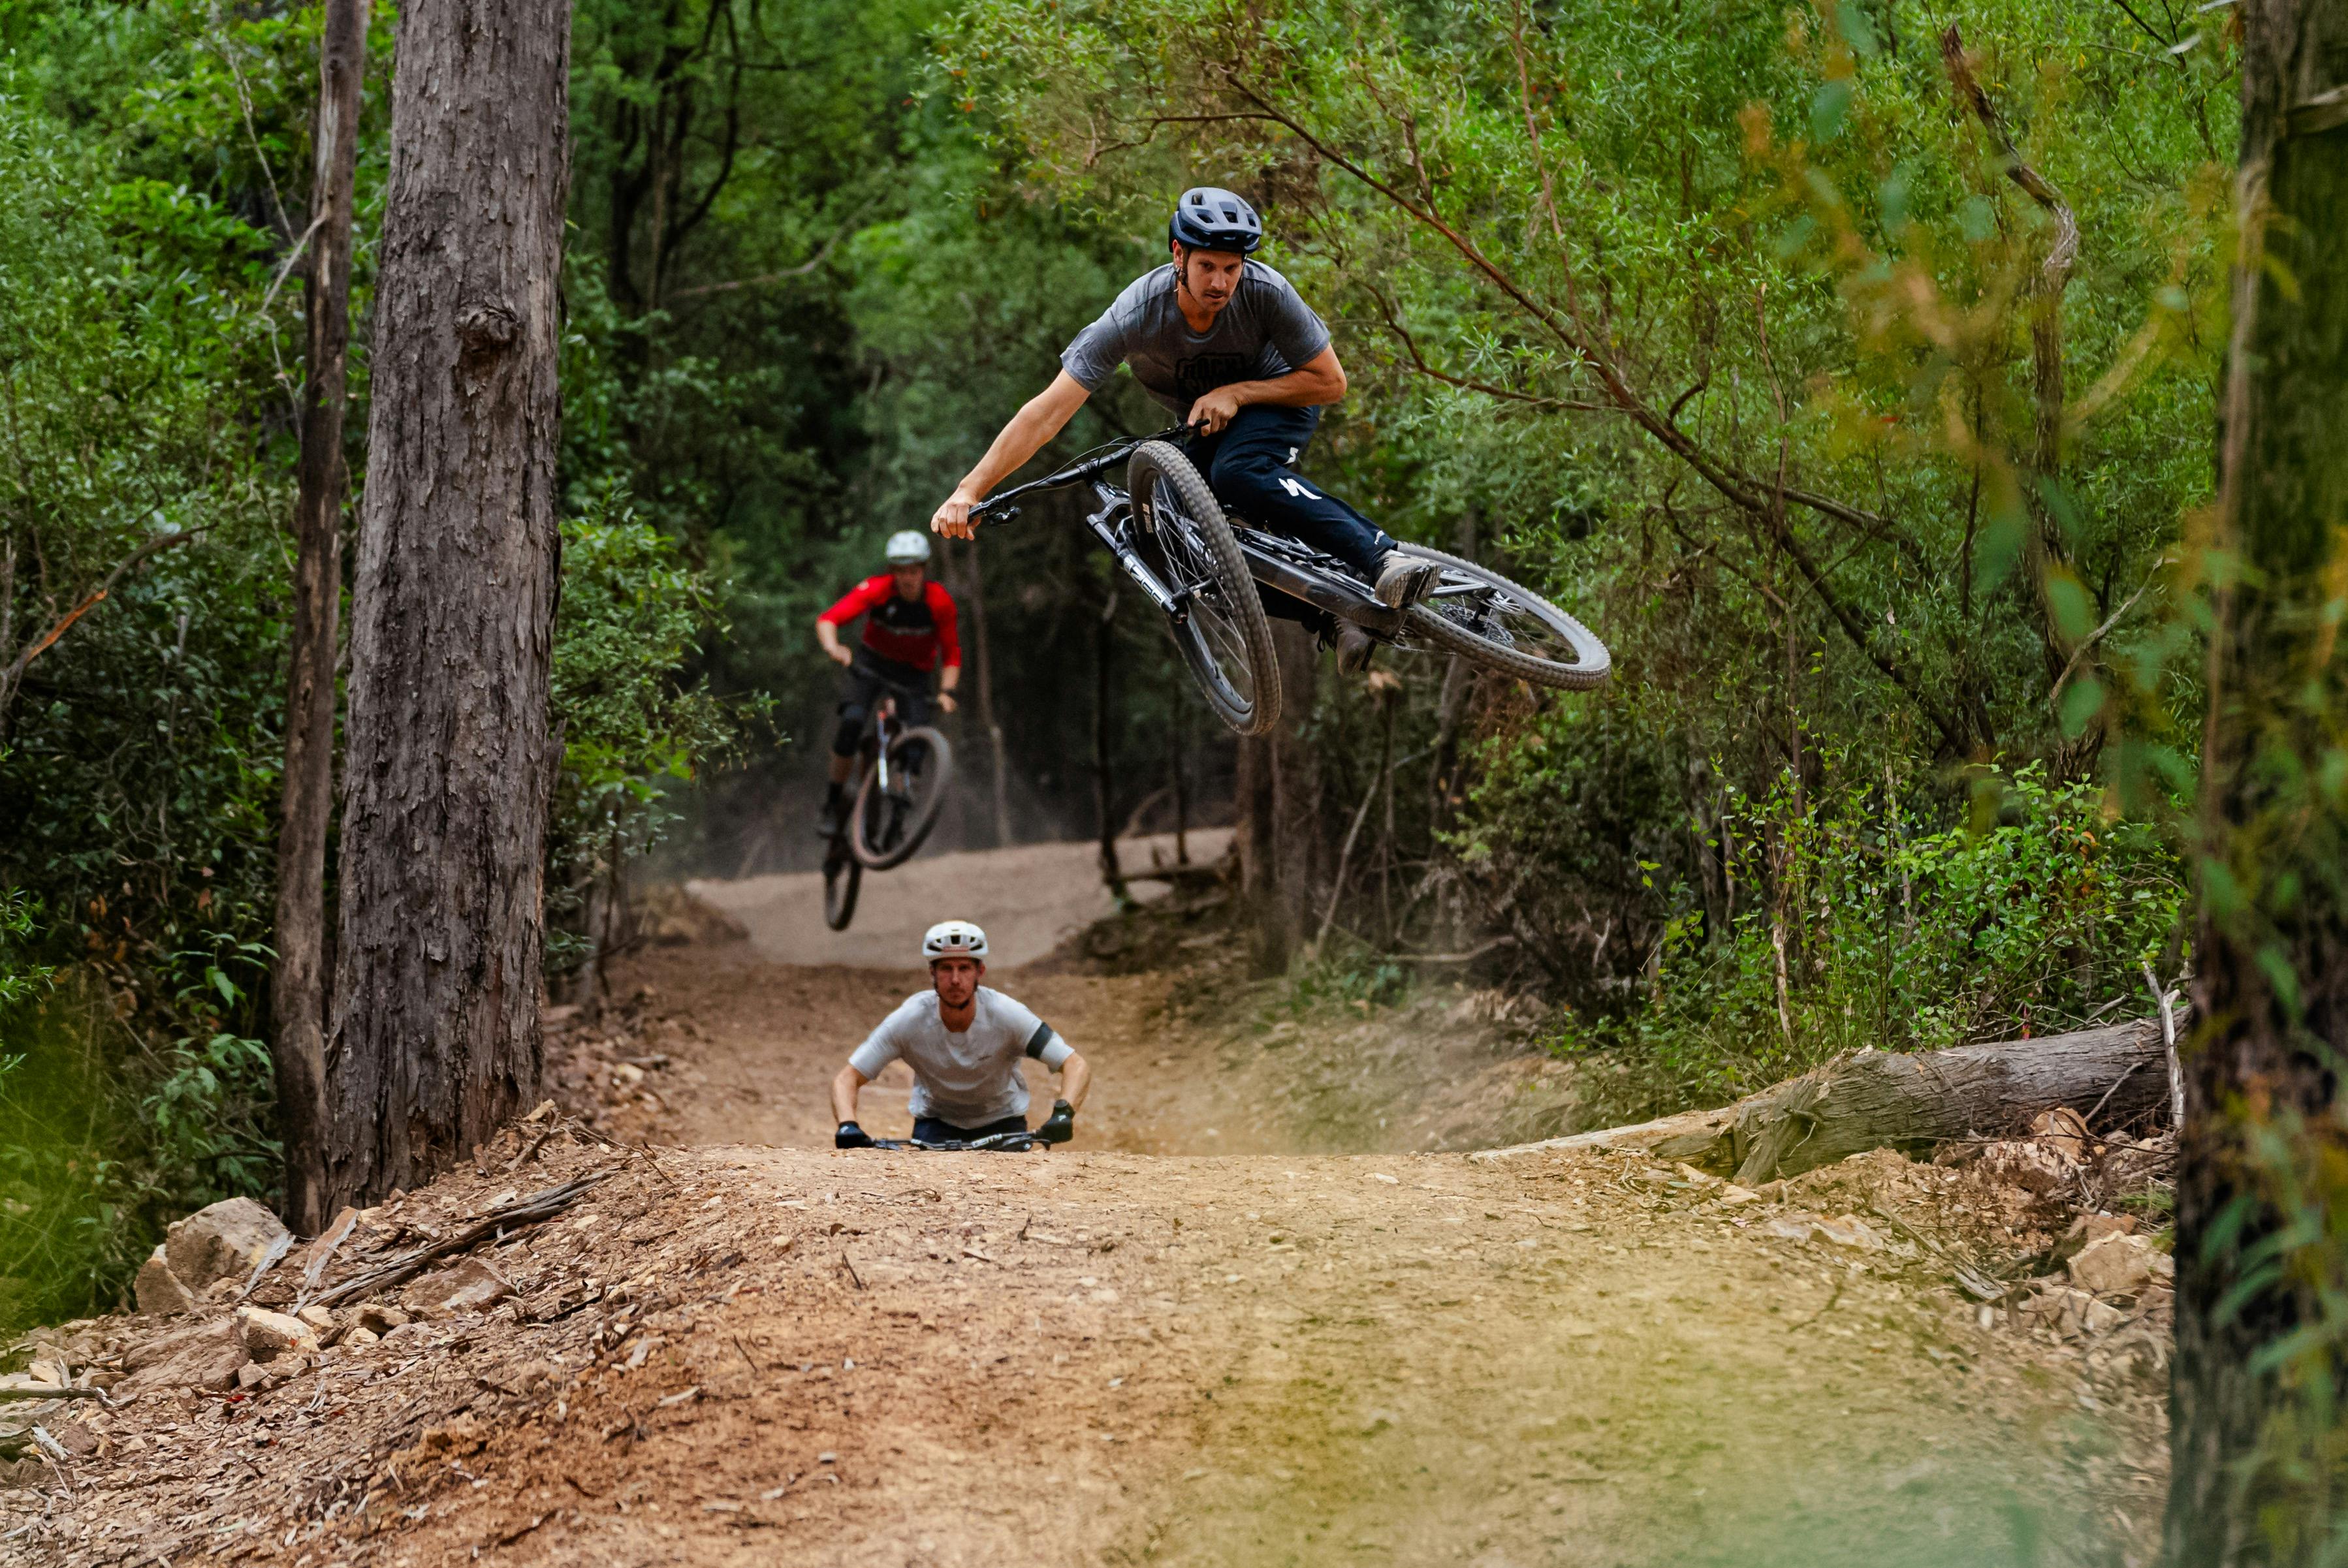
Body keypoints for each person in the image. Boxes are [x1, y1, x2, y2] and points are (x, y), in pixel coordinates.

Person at [928, 185, 1434, 675]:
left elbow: (1330, 382)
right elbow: (1045, 414)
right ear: (1178, 255)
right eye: (1207, 266)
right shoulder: (1136, 315)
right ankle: (1330, 613)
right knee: (1171, 541)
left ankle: (1381, 557)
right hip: (1206, 427)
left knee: (1239, 471)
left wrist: (1239, 393)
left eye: (1231, 269)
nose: (1220, 283)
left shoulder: (1265, 293)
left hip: (1280, 399)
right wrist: (970, 489)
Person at [831, 920, 1090, 1148]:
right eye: (946, 969)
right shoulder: (909, 1021)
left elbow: (1074, 1064)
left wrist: (1063, 1114)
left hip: (1003, 1124)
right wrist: (847, 1125)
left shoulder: (1007, 1015)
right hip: (936, 1125)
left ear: (980, 972)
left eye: (964, 968)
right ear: (932, 973)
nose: (955, 980)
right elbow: (847, 1078)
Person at [814, 531, 961, 836]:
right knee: (851, 723)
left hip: (913, 676)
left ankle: (899, 816)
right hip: (871, 666)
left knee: (917, 743)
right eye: (901, 571)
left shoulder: (939, 602)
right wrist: (833, 647)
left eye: (914, 571)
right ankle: (832, 802)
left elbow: (951, 654)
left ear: (923, 570)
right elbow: (828, 620)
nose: (908, 578)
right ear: (893, 572)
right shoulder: (878, 589)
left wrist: (947, 692)